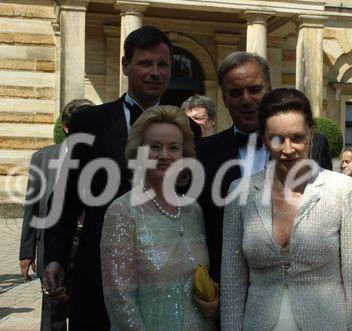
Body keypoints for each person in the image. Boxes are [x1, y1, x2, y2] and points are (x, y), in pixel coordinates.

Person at [42, 26, 174, 330]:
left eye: (162, 65)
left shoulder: (185, 131)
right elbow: (67, 195)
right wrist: (55, 257)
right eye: (145, 63)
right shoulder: (88, 122)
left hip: (163, 274)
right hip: (96, 271)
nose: (155, 72)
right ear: (126, 65)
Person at [220, 88, 352, 330]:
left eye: (297, 137)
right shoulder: (239, 191)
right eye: (277, 138)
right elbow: (232, 282)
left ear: (311, 133)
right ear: (263, 138)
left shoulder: (341, 189)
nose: (288, 149)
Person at [196, 52, 332, 283]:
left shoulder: (314, 145)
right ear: (224, 98)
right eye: (236, 93)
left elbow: (327, 215)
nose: (246, 99)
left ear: (269, 89)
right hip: (226, 286)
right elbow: (199, 230)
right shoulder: (203, 152)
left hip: (298, 285)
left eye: (254, 89)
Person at [101, 106, 217, 330]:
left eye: (174, 147)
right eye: (154, 147)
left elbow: (199, 281)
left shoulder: (193, 210)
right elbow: (120, 301)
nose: (165, 155)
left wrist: (214, 300)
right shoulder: (122, 212)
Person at [19, 98, 94, 331]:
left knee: (88, 312)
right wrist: (26, 251)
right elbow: (32, 205)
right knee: (54, 314)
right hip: (52, 245)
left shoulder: (104, 158)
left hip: (90, 245)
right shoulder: (43, 158)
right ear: (65, 127)